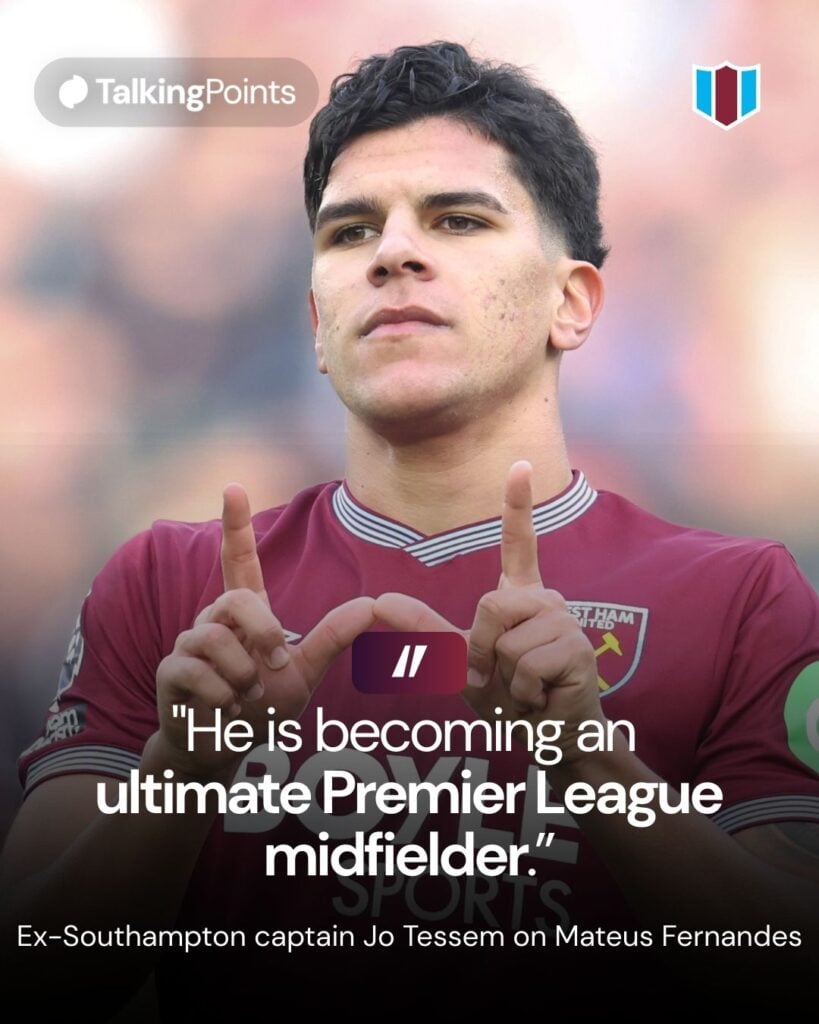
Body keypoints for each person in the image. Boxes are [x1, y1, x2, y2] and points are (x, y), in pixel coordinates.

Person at [2, 40, 818, 1016]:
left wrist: (594, 765)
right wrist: (190, 768)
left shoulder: (745, 597)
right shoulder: (171, 586)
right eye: (350, 232)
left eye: (458, 218)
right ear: (315, 320)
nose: (392, 251)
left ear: (573, 300)